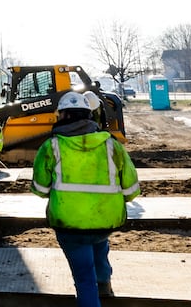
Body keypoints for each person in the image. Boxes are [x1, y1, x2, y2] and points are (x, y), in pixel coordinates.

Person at [31, 90, 139, 306]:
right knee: (99, 242)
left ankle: (94, 295)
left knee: (83, 277)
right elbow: (131, 190)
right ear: (89, 115)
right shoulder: (112, 145)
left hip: (69, 224)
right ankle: (104, 284)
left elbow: (40, 189)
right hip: (105, 220)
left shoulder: (51, 146)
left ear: (60, 115)